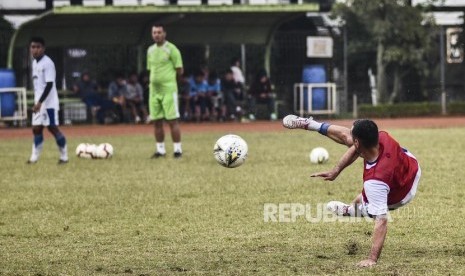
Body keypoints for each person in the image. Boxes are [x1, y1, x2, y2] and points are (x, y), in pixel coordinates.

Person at [282, 115, 421, 268]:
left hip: (402, 193)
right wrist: (336, 171)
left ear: (358, 143)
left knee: (371, 209)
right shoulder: (382, 136)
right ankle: (312, 124)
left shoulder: (375, 181)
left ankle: (350, 211)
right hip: (411, 164)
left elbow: (381, 222)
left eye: (354, 136)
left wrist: (372, 259)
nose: (350, 134)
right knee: (358, 198)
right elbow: (354, 146)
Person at [27, 36, 68, 164]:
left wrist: (39, 102)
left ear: (43, 48)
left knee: (52, 128)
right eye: (33, 47)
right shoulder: (35, 63)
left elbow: (49, 85)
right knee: (36, 129)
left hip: (48, 103)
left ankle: (64, 156)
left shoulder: (48, 63)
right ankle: (34, 158)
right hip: (39, 102)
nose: (35, 50)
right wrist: (37, 102)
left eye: (38, 47)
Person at [147, 23, 184, 158]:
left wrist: (170, 81)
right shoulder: (150, 50)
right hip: (153, 91)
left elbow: (179, 70)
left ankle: (177, 150)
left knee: (172, 120)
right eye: (154, 32)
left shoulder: (172, 49)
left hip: (169, 90)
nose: (156, 35)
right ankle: (160, 150)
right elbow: (151, 69)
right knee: (156, 121)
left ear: (164, 34)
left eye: (159, 32)